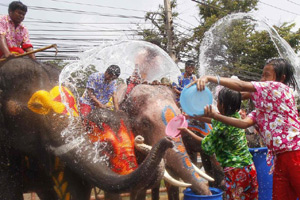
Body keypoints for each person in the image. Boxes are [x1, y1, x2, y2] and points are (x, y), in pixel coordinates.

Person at [191, 58, 300, 200]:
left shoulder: (279, 88)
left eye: (267, 75)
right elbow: (242, 122)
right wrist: (201, 108)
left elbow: (241, 87)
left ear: (281, 78)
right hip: (279, 157)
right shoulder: (261, 110)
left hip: (295, 154)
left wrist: (209, 78)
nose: (262, 79)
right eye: (262, 75)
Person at [179, 87, 258, 200]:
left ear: (223, 105)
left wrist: (186, 131)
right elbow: (213, 120)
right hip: (249, 168)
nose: (217, 104)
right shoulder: (235, 117)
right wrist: (191, 116)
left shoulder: (222, 127)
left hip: (235, 171)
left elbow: (206, 144)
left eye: (219, 101)